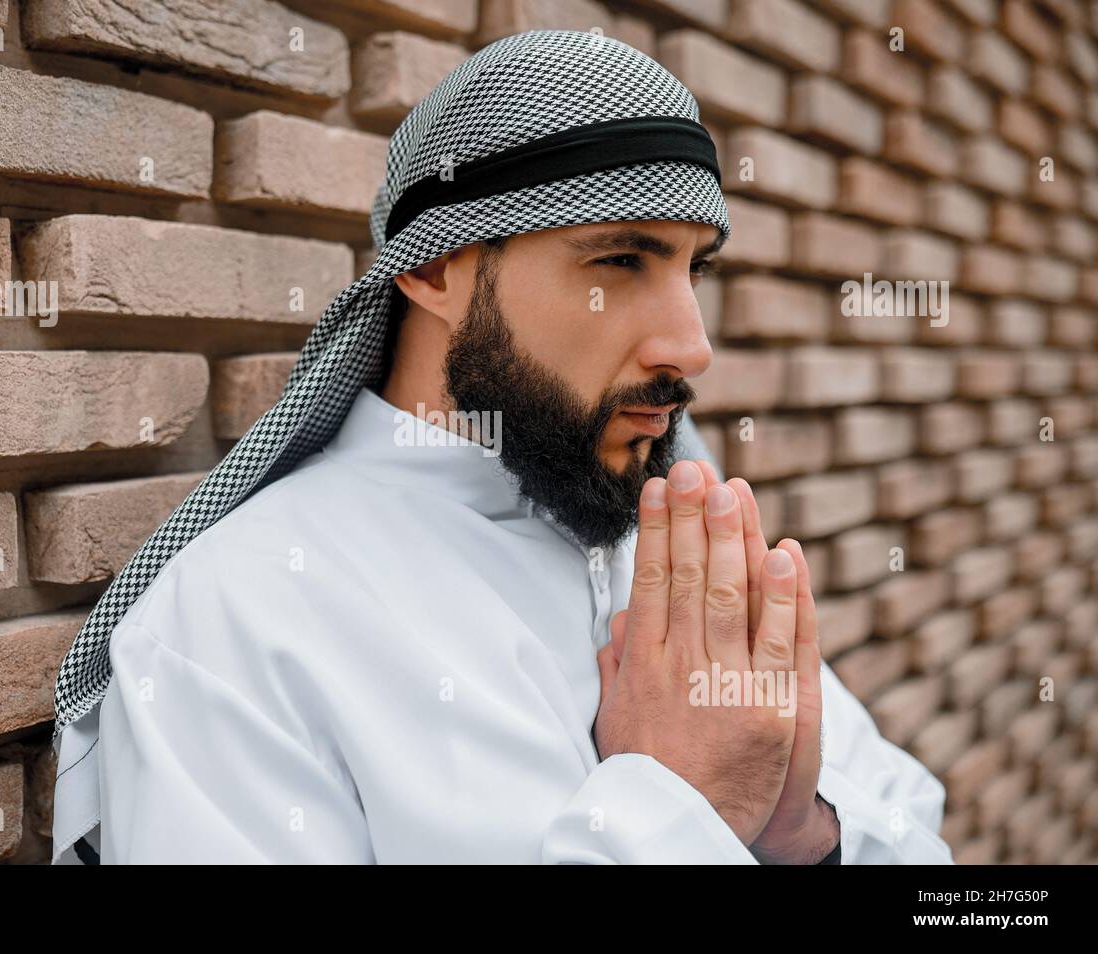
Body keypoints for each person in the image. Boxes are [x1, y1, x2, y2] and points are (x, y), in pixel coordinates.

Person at [50, 30, 954, 865]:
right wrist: (682, 809)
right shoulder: (239, 619)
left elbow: (916, 826)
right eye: (620, 261)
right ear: (437, 266)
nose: (693, 344)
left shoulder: (679, 549)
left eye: (694, 268)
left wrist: (805, 836)